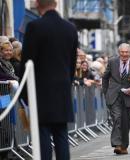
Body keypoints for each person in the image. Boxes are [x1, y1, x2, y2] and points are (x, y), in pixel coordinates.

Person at [19, 0, 78, 159]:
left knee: (43, 133)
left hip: (40, 90)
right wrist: (67, 84)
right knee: (61, 134)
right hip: (62, 90)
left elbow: (27, 62)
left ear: (37, 4)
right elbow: (72, 64)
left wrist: (23, 93)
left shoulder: (35, 27)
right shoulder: (70, 28)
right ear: (56, 4)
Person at [102, 43, 130, 155]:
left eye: (127, 52)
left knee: (126, 122)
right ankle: (117, 144)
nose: (124, 54)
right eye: (122, 52)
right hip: (114, 95)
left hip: (128, 96)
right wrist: (106, 92)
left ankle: (124, 146)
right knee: (117, 118)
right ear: (119, 52)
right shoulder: (112, 61)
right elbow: (105, 77)